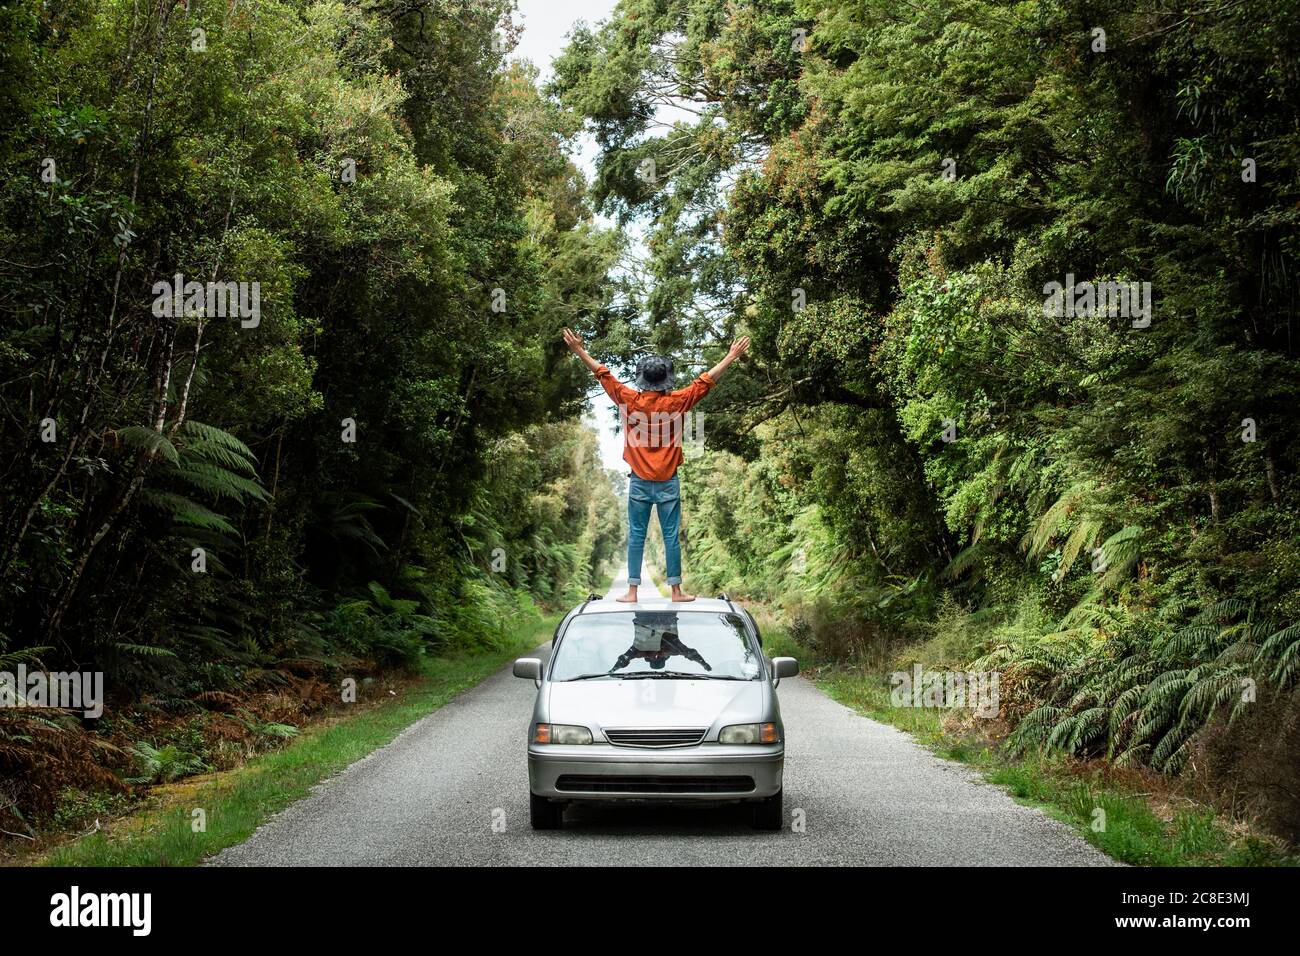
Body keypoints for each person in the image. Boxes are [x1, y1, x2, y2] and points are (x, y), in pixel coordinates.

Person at [562, 328, 750, 602]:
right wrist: (731, 355)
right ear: (665, 381)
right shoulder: (677, 401)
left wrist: (579, 350)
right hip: (668, 482)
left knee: (636, 536)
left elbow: (604, 375)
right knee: (671, 536)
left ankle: (632, 591)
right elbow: (705, 381)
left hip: (638, 481)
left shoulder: (629, 400)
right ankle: (676, 591)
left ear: (642, 381)